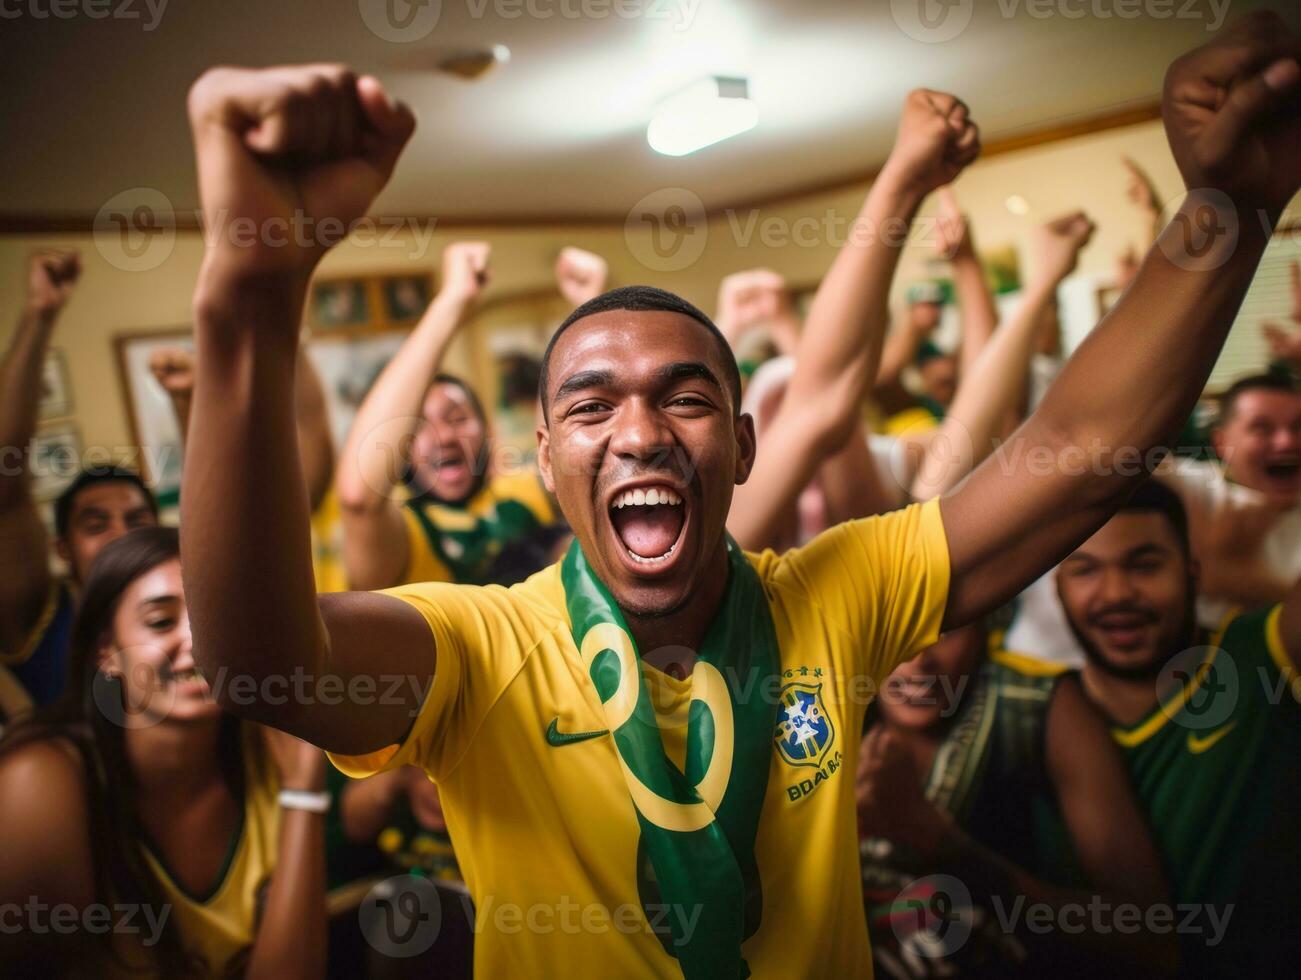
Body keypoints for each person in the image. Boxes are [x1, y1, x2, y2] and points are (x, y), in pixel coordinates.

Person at [178, 18, 1299, 978]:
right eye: (590, 405)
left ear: (747, 446)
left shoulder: (840, 591)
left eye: (684, 396)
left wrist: (1229, 208)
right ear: (545, 458)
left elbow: (1080, 445)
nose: (637, 431)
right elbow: (260, 654)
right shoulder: (481, 644)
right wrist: (252, 301)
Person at [0, 527, 327, 977]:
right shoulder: (42, 781)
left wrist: (303, 792)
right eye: (160, 622)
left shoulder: (276, 751)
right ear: (106, 652)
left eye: (215, 617)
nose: (198, 644)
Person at [1054, 480, 1301, 977]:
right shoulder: (1027, 710)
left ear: (1192, 573)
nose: (1117, 594)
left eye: (1145, 565)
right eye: (1085, 571)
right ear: (1056, 588)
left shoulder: (1258, 657)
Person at [858, 623, 1171, 978]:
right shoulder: (822, 708)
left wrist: (949, 847)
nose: (917, 659)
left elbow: (1151, 936)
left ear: (991, 616)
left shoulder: (1033, 705)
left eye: (946, 628)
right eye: (893, 623)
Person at [335, 241, 557, 590]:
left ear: (488, 431)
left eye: (457, 418)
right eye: (419, 427)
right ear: (403, 447)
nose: (443, 436)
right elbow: (359, 498)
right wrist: (451, 302)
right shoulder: (405, 534)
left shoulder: (530, 489)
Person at [1, 251, 160, 710]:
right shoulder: (42, 617)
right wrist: (39, 316)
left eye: (137, 519)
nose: (121, 534)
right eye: (95, 525)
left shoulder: (191, 606)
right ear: (63, 550)